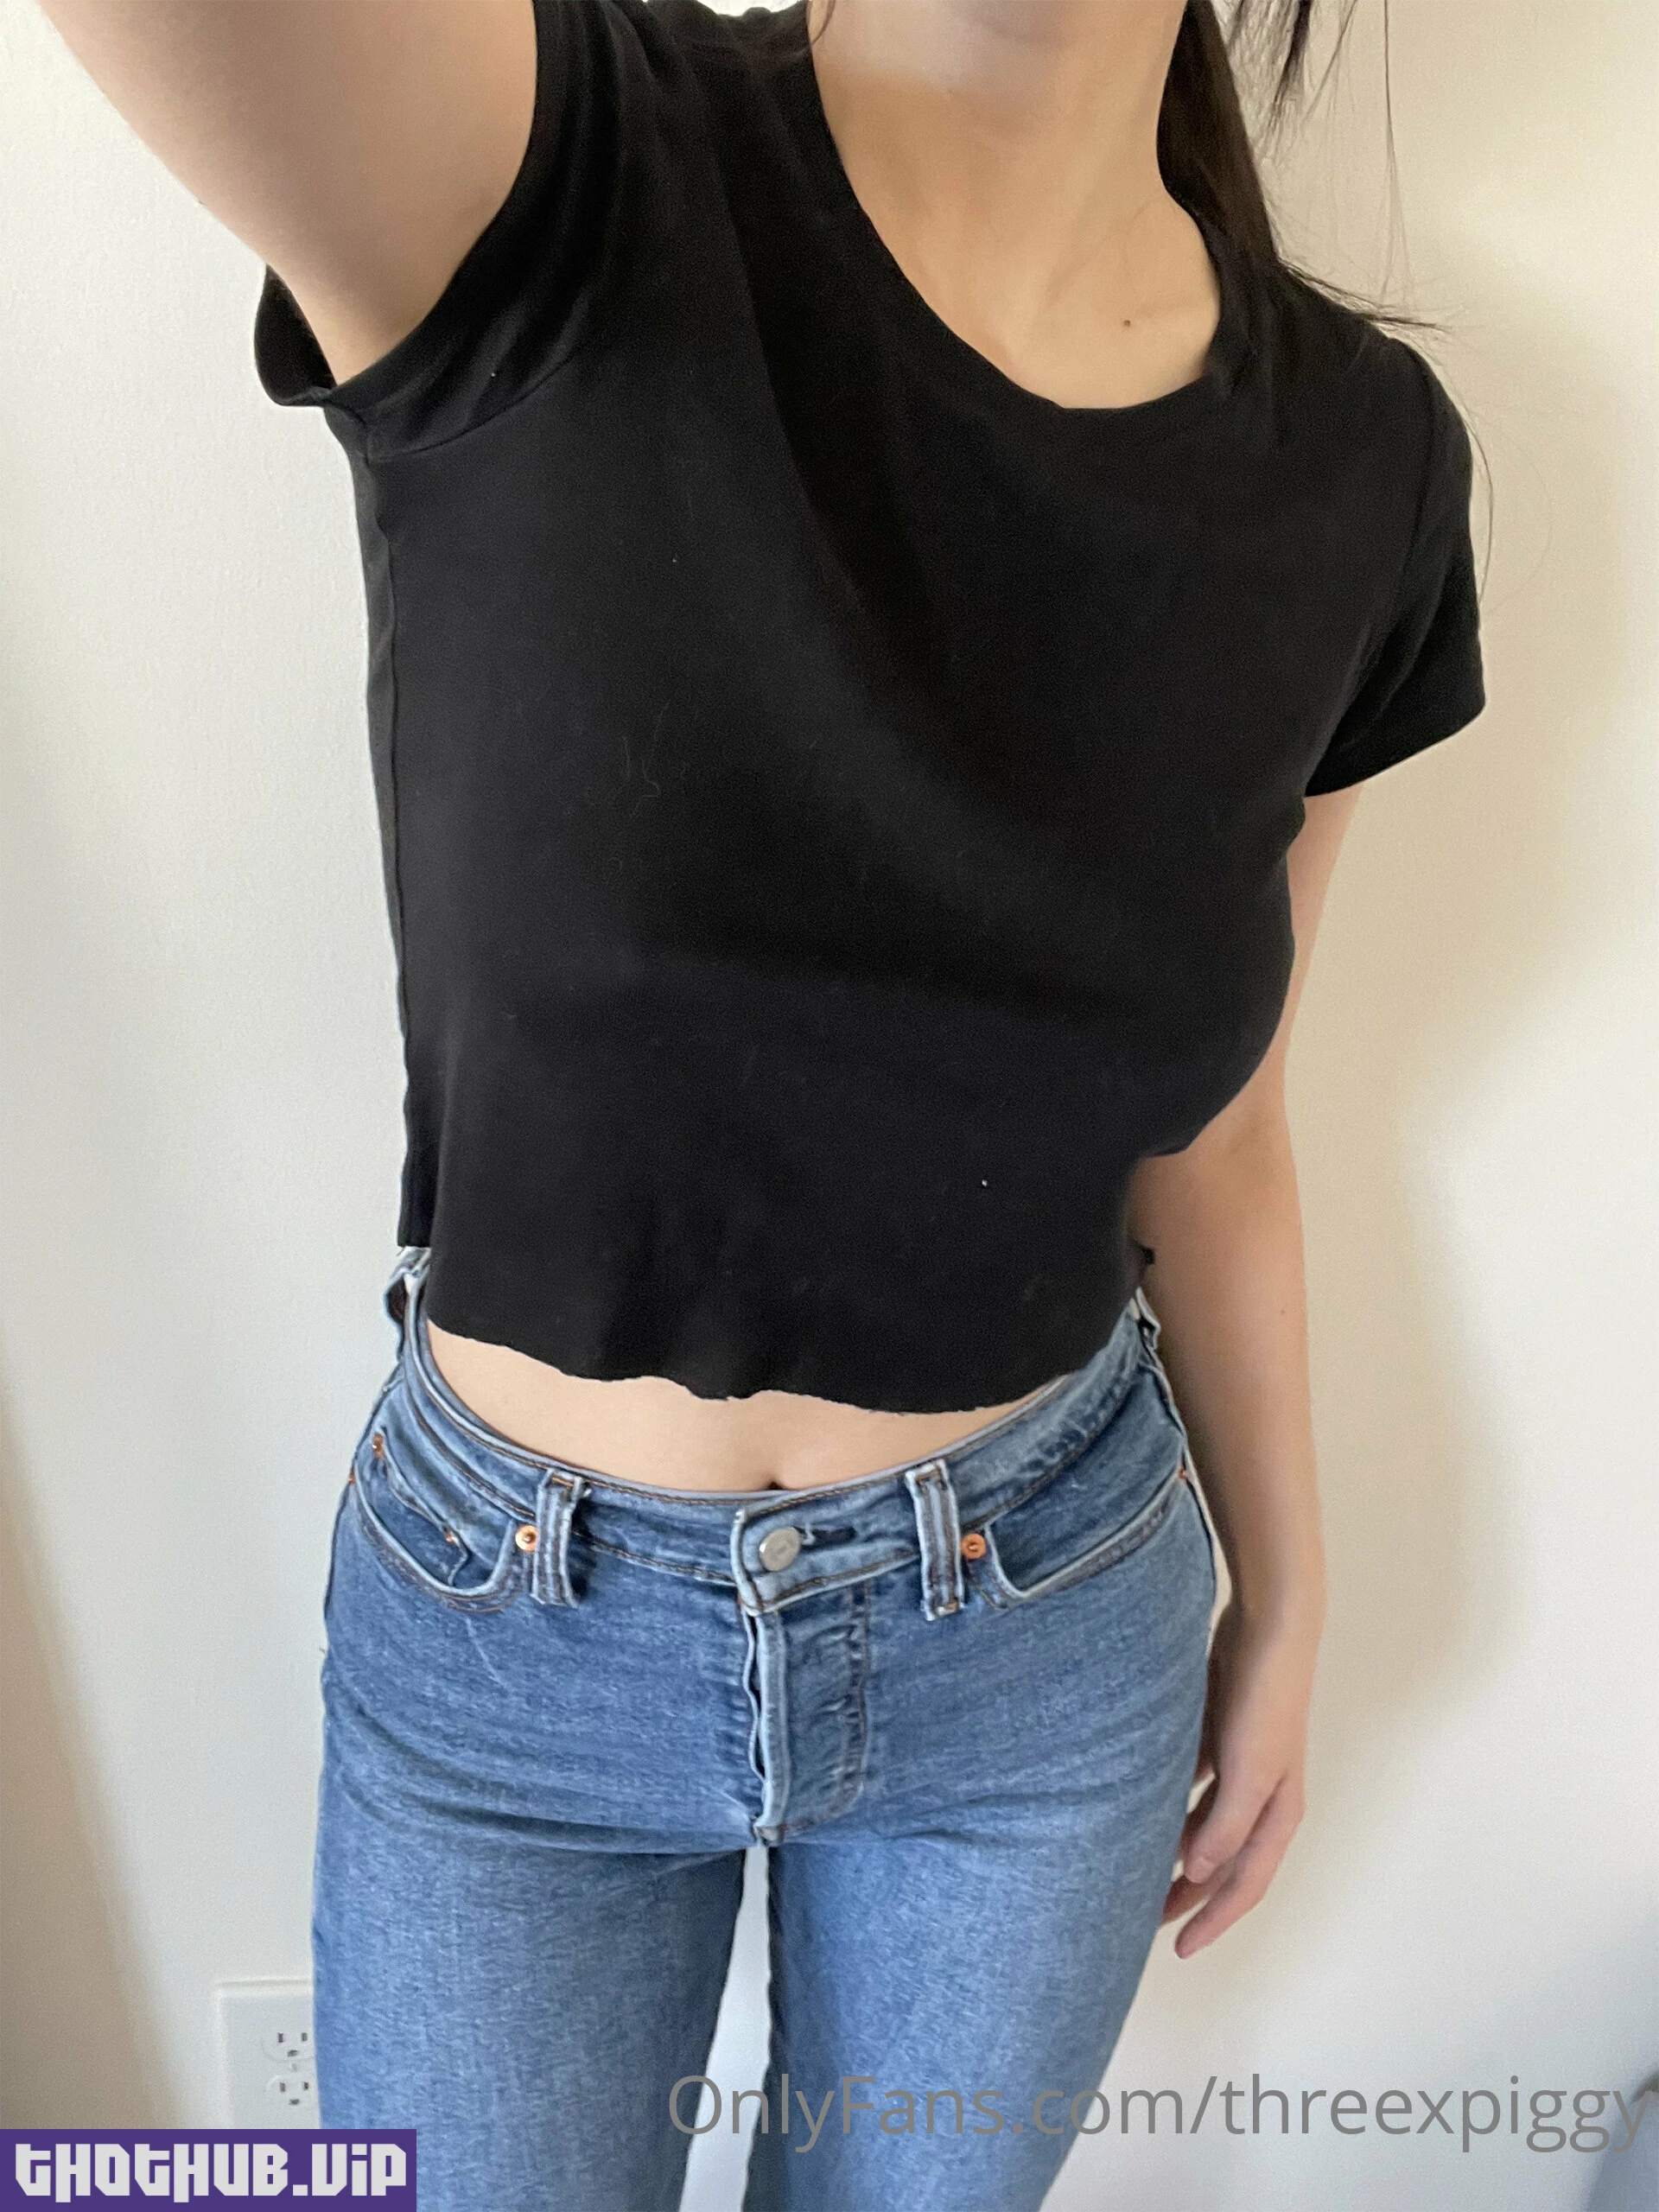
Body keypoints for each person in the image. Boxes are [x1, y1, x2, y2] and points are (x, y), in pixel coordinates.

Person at [36, 0, 1486, 2204]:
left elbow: (1217, 1120)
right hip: (518, 1640)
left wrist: (1288, 1595)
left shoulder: (1362, 465)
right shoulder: (549, 166)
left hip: (1048, 1624)